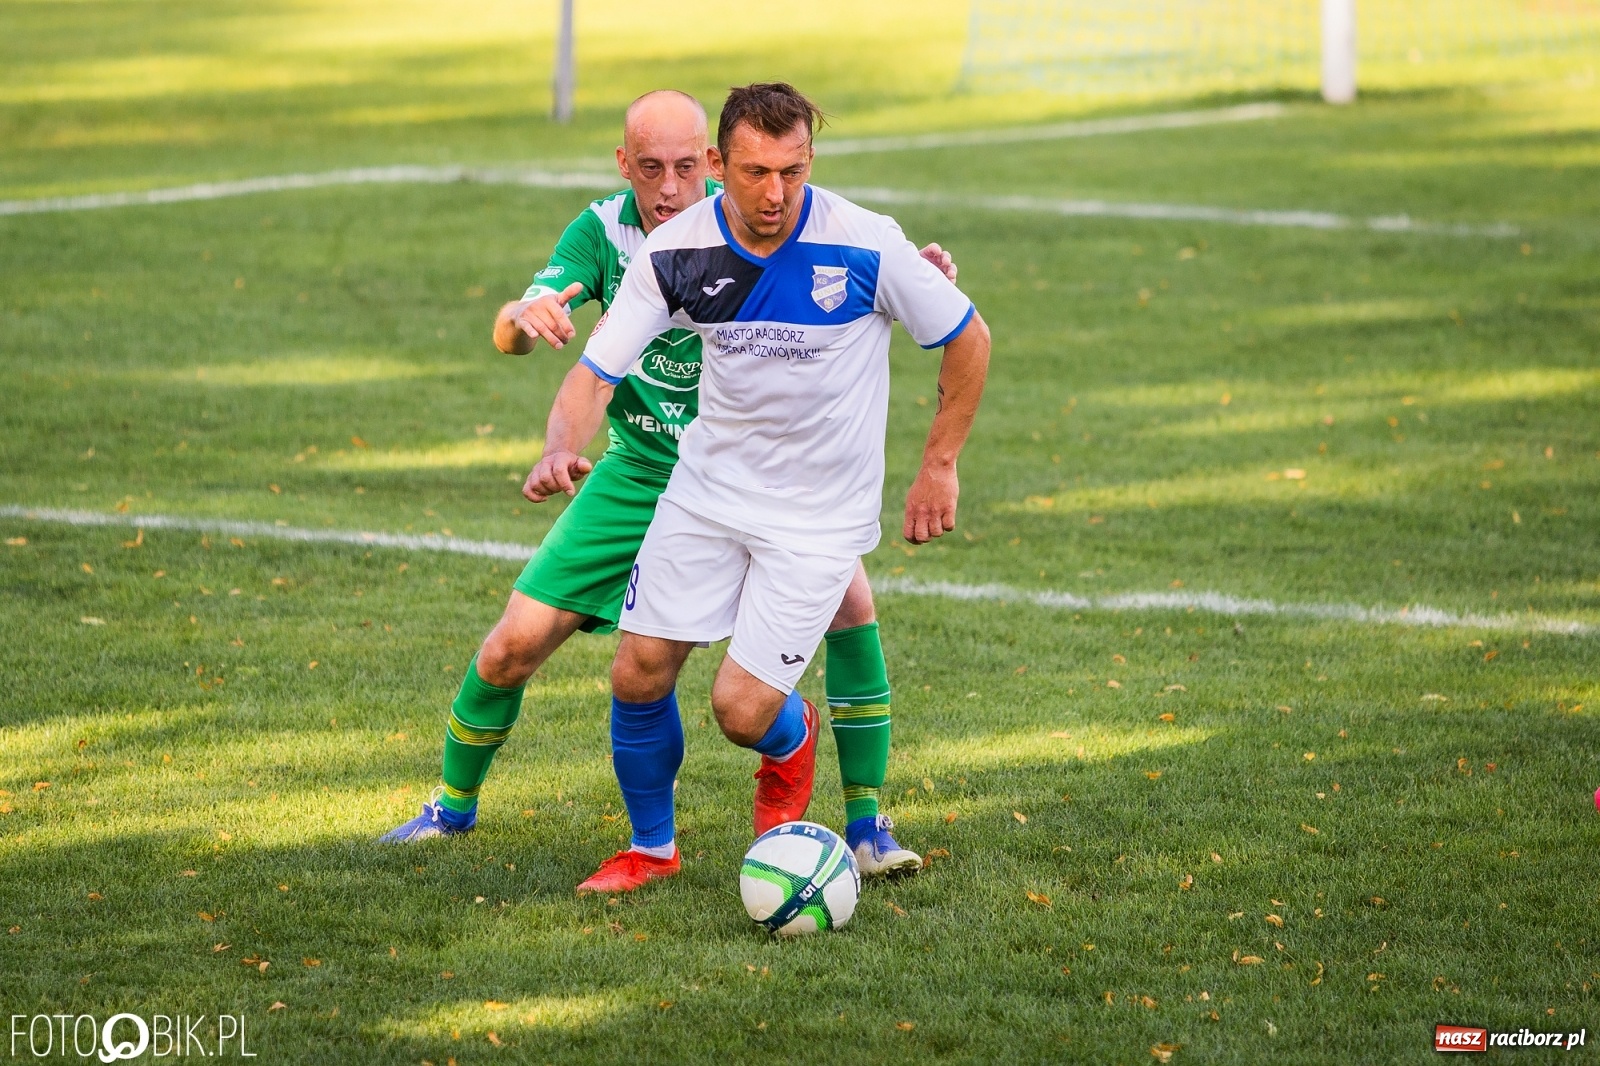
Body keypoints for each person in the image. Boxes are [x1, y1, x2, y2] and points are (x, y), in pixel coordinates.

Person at [382, 89, 953, 889]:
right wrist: (521, 317)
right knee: (516, 645)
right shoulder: (604, 233)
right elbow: (527, 340)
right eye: (650, 168)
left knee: (852, 609)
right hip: (642, 471)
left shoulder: (757, 212)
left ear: (712, 165)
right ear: (625, 165)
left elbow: (848, 268)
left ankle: (865, 824)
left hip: (758, 476)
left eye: (687, 168)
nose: (670, 187)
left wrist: (906, 281)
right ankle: (454, 808)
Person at [572, 83, 990, 890]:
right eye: (756, 172)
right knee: (637, 670)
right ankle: (652, 850)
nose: (775, 193)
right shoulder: (679, 250)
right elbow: (598, 368)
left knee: (742, 710)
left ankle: (823, 777)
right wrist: (560, 446)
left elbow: (969, 335)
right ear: (720, 164)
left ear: (811, 160)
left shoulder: (865, 242)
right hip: (709, 490)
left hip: (817, 516)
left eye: (793, 171)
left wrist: (939, 465)